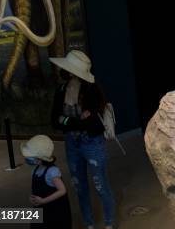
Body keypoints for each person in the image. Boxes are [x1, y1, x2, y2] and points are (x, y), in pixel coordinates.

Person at [50, 50, 115, 229]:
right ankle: (89, 224)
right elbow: (55, 120)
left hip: (93, 143)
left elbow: (93, 123)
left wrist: (68, 121)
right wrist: (78, 121)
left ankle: (109, 224)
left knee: (100, 185)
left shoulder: (92, 89)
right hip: (72, 144)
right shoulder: (61, 90)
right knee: (79, 188)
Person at [20, 135, 72, 229]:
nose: (27, 159)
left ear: (40, 159)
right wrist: (32, 197)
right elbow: (35, 189)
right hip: (41, 208)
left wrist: (43, 200)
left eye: (30, 157)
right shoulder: (35, 171)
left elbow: (62, 190)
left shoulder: (52, 172)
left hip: (55, 210)